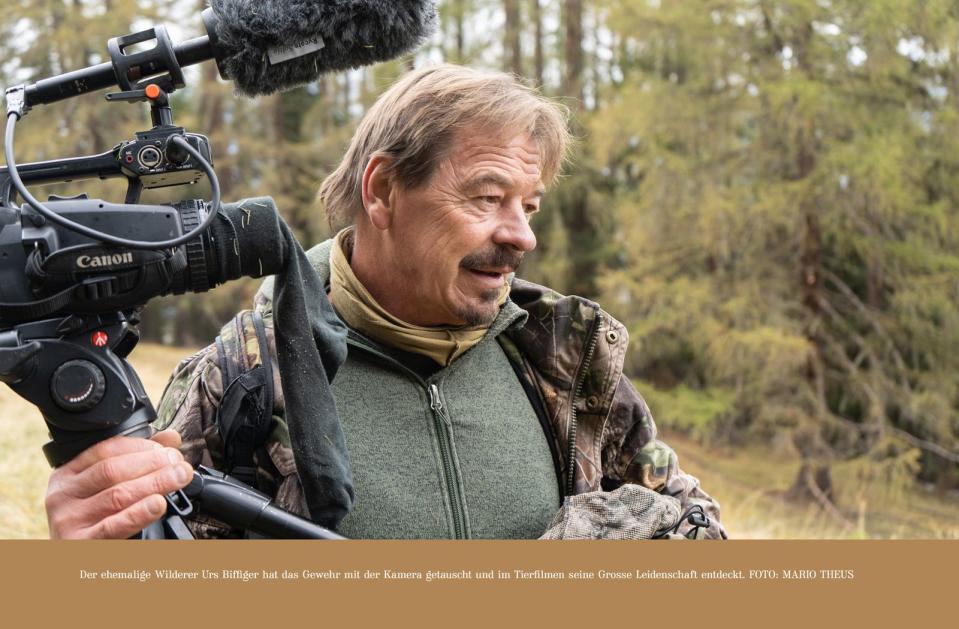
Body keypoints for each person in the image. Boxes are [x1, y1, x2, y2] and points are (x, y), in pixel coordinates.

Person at [44, 64, 727, 540]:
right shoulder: (243, 379)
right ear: (383, 191)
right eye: (488, 198)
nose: (522, 234)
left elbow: (696, 528)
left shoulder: (567, 360)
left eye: (530, 204)